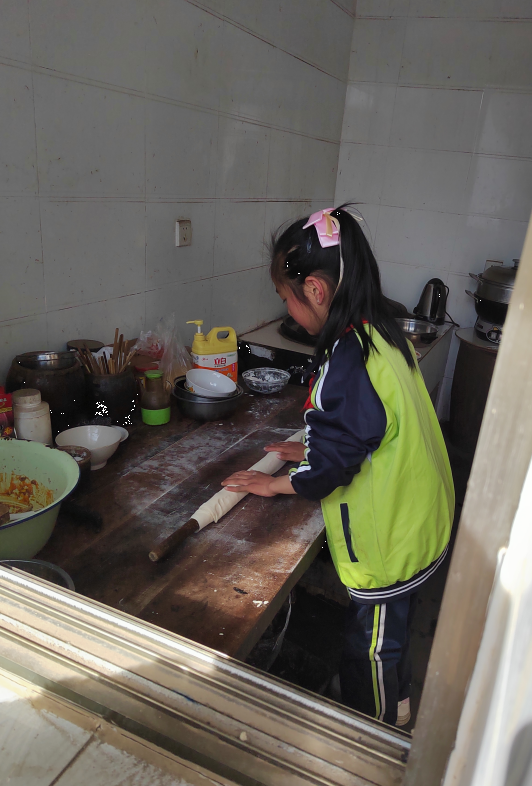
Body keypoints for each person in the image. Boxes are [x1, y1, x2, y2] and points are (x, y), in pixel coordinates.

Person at [221, 206, 455, 727]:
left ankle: (374, 736)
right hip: (421, 520)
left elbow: (329, 473)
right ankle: (397, 706)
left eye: (285, 297)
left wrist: (276, 484)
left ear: (316, 290)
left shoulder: (349, 360)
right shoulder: (382, 331)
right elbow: (374, 424)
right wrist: (313, 444)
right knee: (394, 636)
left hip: (390, 545)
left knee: (370, 652)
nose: (286, 308)